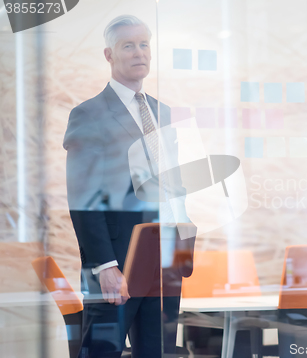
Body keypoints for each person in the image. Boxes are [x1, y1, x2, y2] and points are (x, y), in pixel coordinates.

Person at [63, 15, 195, 358]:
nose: (139, 53)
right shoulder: (89, 114)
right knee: (101, 352)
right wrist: (104, 266)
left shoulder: (162, 112)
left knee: (157, 352)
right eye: (128, 46)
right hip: (118, 262)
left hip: (165, 259)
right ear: (109, 55)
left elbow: (173, 182)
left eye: (144, 44)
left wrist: (182, 243)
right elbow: (83, 198)